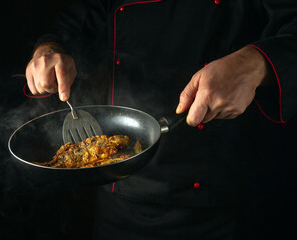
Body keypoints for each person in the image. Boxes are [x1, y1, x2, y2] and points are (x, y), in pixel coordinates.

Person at [25, 0, 297, 239]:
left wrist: (254, 63)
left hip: (220, 198)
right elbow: (80, 17)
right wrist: (47, 50)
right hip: (119, 193)